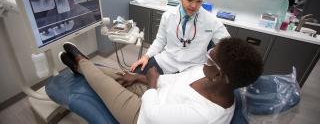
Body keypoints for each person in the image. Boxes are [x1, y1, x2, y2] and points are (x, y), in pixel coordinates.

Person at [59, 37, 263, 124]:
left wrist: (152, 83)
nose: (206, 56)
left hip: (143, 115)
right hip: (155, 93)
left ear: (220, 75)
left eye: (211, 56)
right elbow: (174, 81)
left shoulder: (207, 116)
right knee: (120, 76)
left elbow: (153, 114)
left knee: (101, 84)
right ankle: (81, 65)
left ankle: (80, 62)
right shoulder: (208, 75)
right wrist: (140, 77)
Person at [130, 0, 230, 75]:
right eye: (190, 0)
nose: (194, 6)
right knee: (134, 75)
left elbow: (228, 46)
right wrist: (146, 56)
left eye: (199, 1)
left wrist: (215, 63)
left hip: (194, 68)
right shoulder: (168, 16)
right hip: (167, 61)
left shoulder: (211, 21)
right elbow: (160, 41)